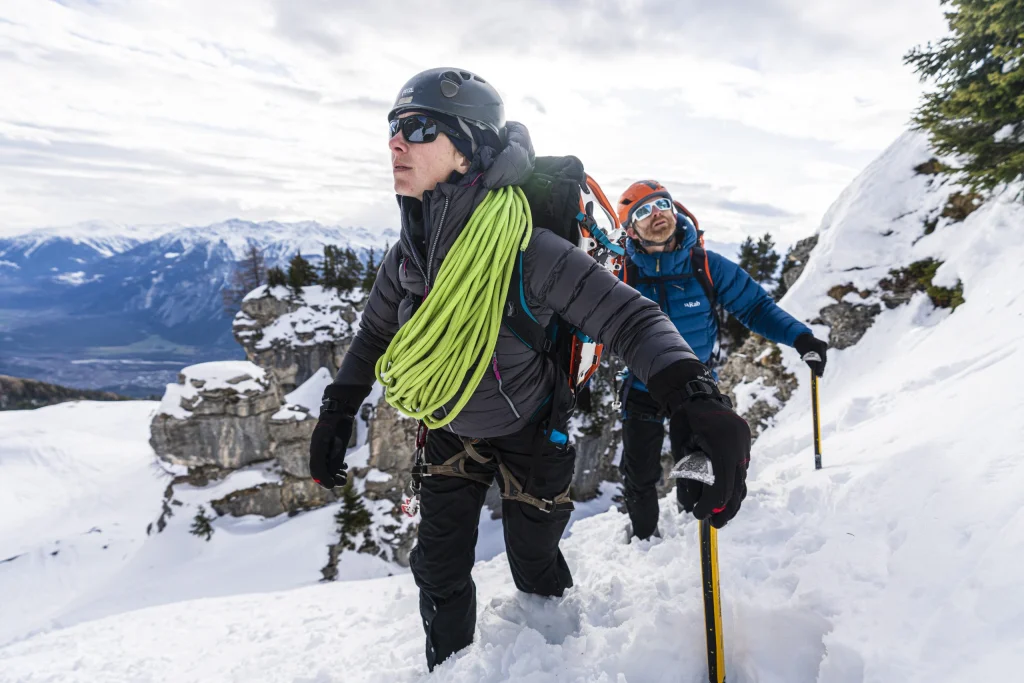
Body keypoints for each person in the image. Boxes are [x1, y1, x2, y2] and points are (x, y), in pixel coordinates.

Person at [307, 68, 751, 671]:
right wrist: (337, 409)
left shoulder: (527, 248)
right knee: (438, 571)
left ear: (466, 153)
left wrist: (694, 395)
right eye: (392, 127)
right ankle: (451, 667)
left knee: (535, 558)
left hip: (533, 429)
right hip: (448, 429)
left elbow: (629, 320)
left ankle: (550, 650)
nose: (395, 142)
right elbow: (373, 336)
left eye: (417, 127)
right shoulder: (408, 257)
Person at [614, 180, 829, 541]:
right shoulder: (622, 274)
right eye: (643, 212)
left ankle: (694, 519)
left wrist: (800, 336)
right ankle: (644, 539)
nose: (657, 215)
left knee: (698, 466)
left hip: (694, 390)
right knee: (639, 475)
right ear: (630, 229)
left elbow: (755, 307)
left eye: (662, 204)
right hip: (642, 386)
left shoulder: (706, 266)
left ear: (675, 209)